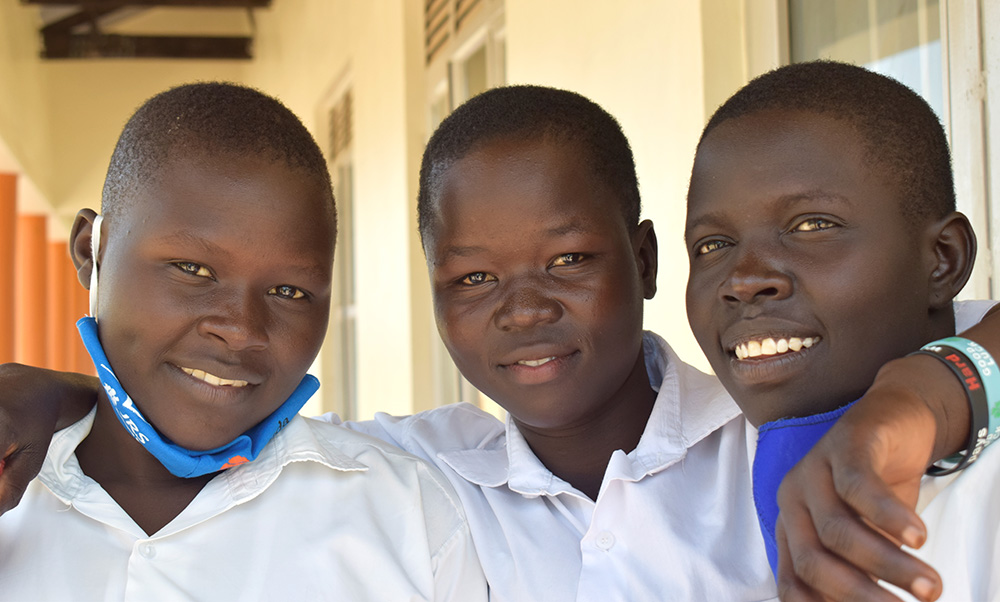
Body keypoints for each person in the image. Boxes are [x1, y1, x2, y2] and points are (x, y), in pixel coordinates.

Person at [0, 83, 998, 601]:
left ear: (645, 261)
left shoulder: (784, 433)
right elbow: (220, 415)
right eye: (474, 278)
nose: (522, 310)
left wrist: (925, 389)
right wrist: (76, 398)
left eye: (567, 260)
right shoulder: (417, 473)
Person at [0, 82, 487, 600]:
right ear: (89, 252)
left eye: (288, 291)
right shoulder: (17, 497)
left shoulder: (409, 518)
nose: (241, 329)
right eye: (193, 269)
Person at [685, 61, 1000, 602]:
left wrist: (927, 397)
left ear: (942, 261)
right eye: (712, 244)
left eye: (812, 225)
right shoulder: (681, 475)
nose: (743, 279)